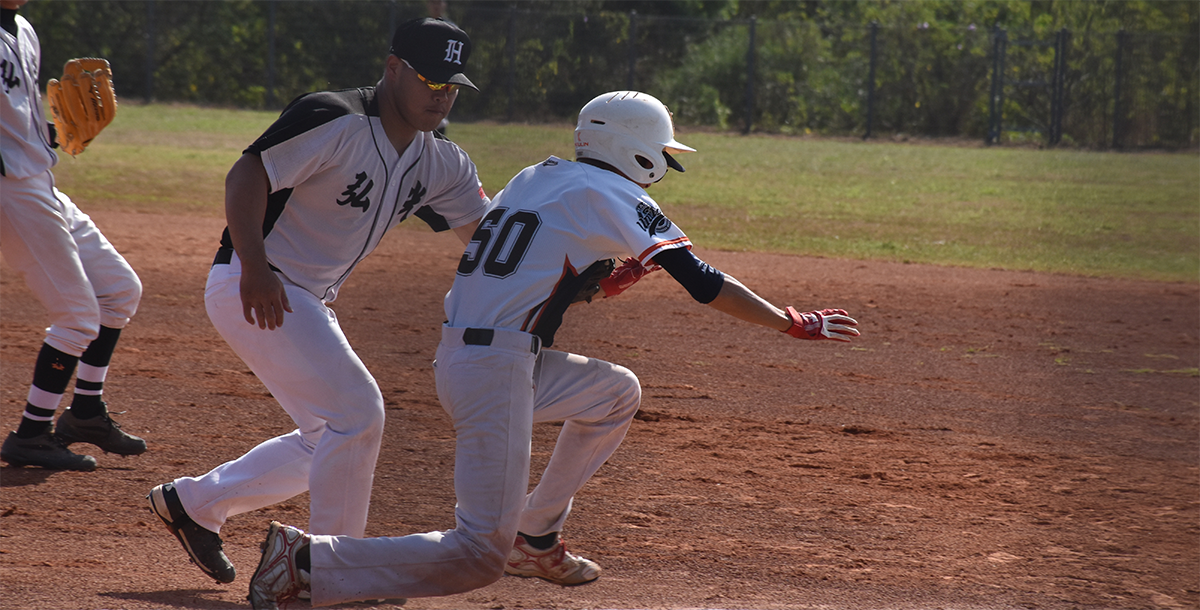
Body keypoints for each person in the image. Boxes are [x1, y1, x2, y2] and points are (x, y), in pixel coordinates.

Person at [245, 90, 860, 609]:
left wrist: (598, 285)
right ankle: (308, 563)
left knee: (615, 390)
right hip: (495, 369)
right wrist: (792, 323)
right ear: (635, 147)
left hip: (481, 357)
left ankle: (535, 534)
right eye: (663, 153)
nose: (665, 166)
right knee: (476, 555)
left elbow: (522, 271)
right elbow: (703, 283)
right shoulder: (617, 194)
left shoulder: (538, 176)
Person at [146, 17, 490, 586]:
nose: (441, 95)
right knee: (356, 414)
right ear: (394, 68)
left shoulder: (440, 160)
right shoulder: (335, 118)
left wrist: (575, 273)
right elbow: (247, 174)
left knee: (326, 440)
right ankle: (329, 572)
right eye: (430, 80)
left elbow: (486, 237)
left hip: (308, 298)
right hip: (258, 284)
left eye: (452, 85)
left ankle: (194, 505)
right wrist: (254, 266)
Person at [0, 0, 145, 471]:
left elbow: (17, 119)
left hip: (39, 180)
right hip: (10, 192)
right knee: (78, 318)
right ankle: (32, 433)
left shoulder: (23, 29)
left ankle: (84, 413)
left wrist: (54, 132)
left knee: (120, 291)